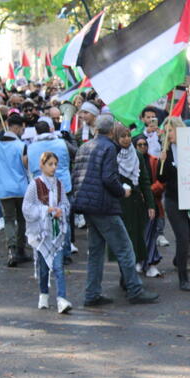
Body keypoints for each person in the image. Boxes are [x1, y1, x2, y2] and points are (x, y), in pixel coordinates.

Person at [71, 114, 159, 306]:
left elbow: (76, 174)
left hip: (87, 205)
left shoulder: (85, 146)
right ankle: (135, 290)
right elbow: (109, 178)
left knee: (96, 251)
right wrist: (122, 192)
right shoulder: (109, 147)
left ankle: (92, 294)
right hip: (104, 205)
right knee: (126, 249)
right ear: (112, 132)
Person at [158, 117, 190, 291]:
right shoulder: (166, 150)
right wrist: (161, 162)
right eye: (166, 131)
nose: (168, 134)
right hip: (174, 199)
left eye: (170, 130)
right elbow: (160, 178)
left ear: (179, 130)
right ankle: (183, 277)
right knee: (182, 237)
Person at [22, 151, 72, 313]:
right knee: (44, 268)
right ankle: (43, 294)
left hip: (55, 231)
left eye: (55, 164)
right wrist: (45, 210)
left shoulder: (59, 184)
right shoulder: (34, 184)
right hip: (40, 233)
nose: (53, 167)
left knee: (58, 266)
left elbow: (65, 203)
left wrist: (60, 210)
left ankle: (61, 299)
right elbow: (27, 208)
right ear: (42, 165)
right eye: (50, 164)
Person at [111, 123, 156, 276]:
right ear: (116, 137)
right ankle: (126, 276)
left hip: (135, 203)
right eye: (122, 136)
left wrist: (151, 204)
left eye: (128, 135)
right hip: (118, 203)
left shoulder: (136, 155)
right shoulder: (111, 154)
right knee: (122, 240)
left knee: (136, 239)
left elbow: (144, 180)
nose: (126, 139)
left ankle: (131, 275)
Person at [0, 113, 31, 267]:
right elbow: (26, 166)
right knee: (22, 219)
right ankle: (21, 249)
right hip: (20, 188)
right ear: (16, 127)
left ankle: (11, 250)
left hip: (2, 189)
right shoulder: (21, 145)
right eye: (21, 129)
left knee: (9, 219)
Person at [134, 135, 164, 278]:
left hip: (151, 203)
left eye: (144, 144)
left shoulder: (153, 161)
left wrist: (148, 191)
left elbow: (161, 182)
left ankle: (149, 263)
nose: (142, 147)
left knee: (150, 234)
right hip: (134, 205)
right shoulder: (129, 161)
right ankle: (142, 260)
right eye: (139, 145)